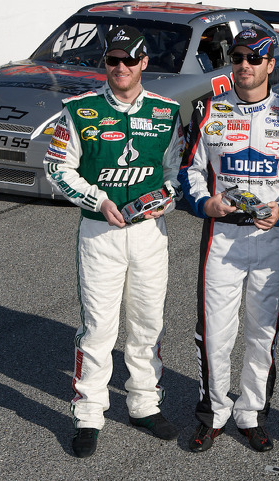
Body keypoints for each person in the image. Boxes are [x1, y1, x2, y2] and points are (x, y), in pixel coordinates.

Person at [43, 25, 184, 458]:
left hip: (148, 235)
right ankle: (88, 413)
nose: (120, 67)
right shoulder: (79, 110)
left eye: (128, 60)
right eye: (112, 61)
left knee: (147, 324)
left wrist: (167, 200)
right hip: (99, 231)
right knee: (99, 328)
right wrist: (99, 200)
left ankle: (143, 403)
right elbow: (57, 168)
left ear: (144, 63)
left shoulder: (167, 112)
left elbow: (176, 173)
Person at [179, 28, 279, 453]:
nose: (245, 65)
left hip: (269, 241)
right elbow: (189, 171)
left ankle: (251, 413)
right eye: (238, 57)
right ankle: (213, 412)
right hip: (221, 238)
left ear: (271, 64)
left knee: (262, 334)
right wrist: (204, 203)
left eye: (255, 58)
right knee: (214, 333)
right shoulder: (208, 109)